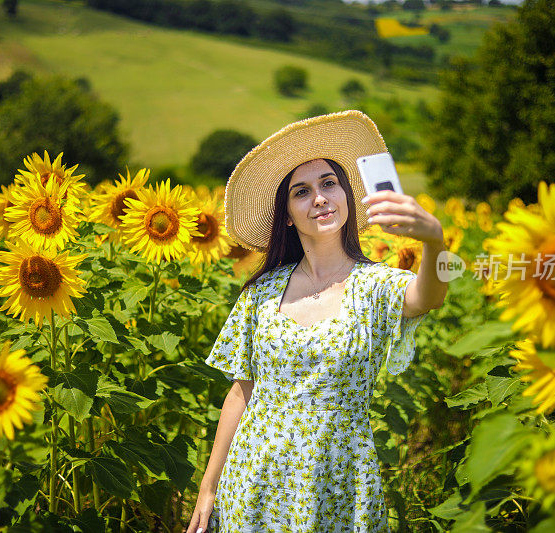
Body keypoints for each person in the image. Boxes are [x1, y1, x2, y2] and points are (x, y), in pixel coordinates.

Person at [186, 110, 448, 532]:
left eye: (330, 184)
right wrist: (208, 487)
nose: (321, 197)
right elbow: (241, 392)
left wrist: (434, 241)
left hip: (338, 481)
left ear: (347, 196)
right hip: (254, 481)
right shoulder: (262, 292)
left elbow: (428, 297)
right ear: (287, 214)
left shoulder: (374, 286)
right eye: (302, 191)